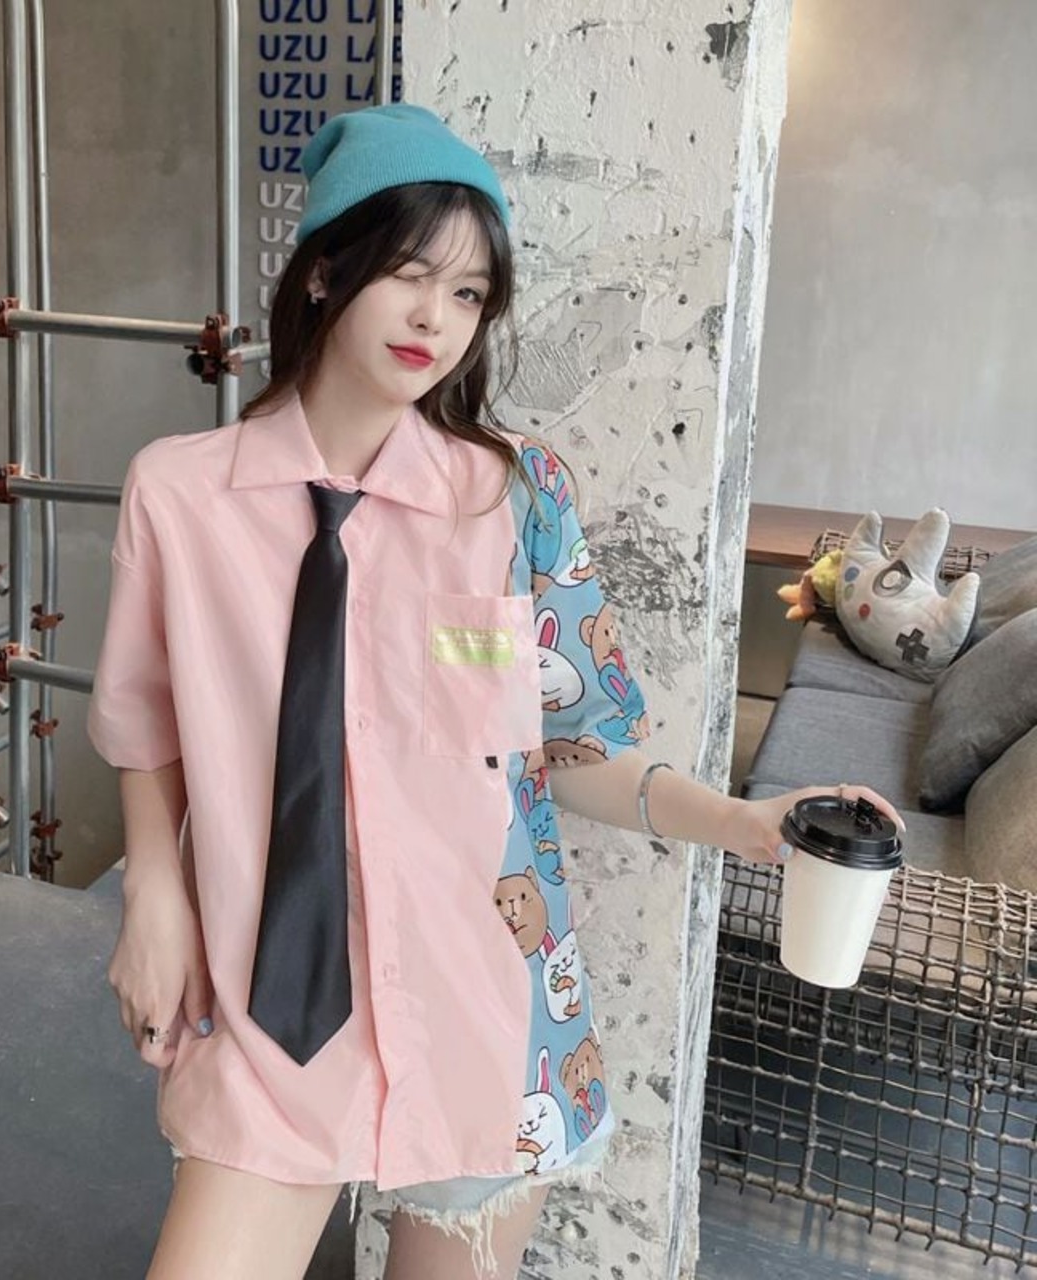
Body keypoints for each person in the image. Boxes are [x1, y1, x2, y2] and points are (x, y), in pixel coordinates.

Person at [87, 103, 904, 1280]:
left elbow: (571, 744)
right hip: (267, 1002)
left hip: (481, 1014)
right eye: (408, 273)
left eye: (468, 292)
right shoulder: (179, 494)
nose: (435, 316)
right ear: (322, 270)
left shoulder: (516, 499)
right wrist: (151, 895)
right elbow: (144, 721)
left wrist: (739, 820)